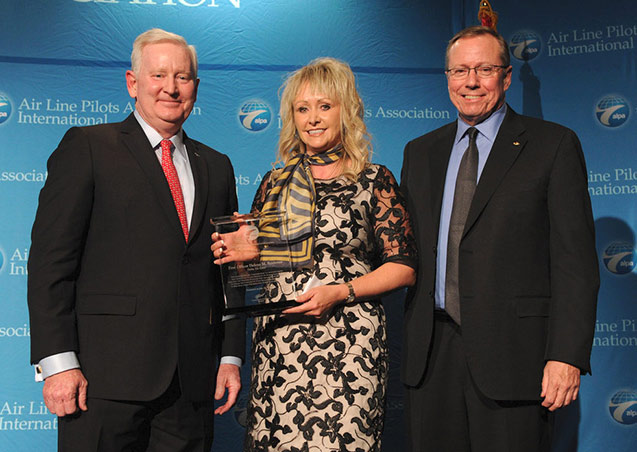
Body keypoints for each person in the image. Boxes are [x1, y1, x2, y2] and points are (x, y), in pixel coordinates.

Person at [27, 28, 244, 451]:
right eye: (159, 75)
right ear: (133, 83)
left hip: (192, 382)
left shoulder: (217, 166)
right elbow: (51, 263)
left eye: (182, 77)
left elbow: (229, 272)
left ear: (196, 88)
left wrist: (230, 356)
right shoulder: (88, 146)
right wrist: (57, 364)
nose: (171, 88)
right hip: (102, 380)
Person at [400, 26, 599, 452]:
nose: (470, 81)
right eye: (459, 70)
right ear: (448, 78)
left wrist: (566, 355)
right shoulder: (420, 151)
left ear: (506, 77)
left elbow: (575, 262)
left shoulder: (553, 145)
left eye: (484, 69)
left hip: (516, 357)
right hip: (431, 357)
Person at [212, 57, 417, 451]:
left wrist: (341, 292)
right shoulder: (275, 182)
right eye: (302, 109)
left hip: (349, 344)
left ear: (346, 109)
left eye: (325, 106)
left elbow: (403, 267)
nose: (313, 119)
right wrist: (243, 254)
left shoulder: (374, 179)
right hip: (281, 344)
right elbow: (260, 268)